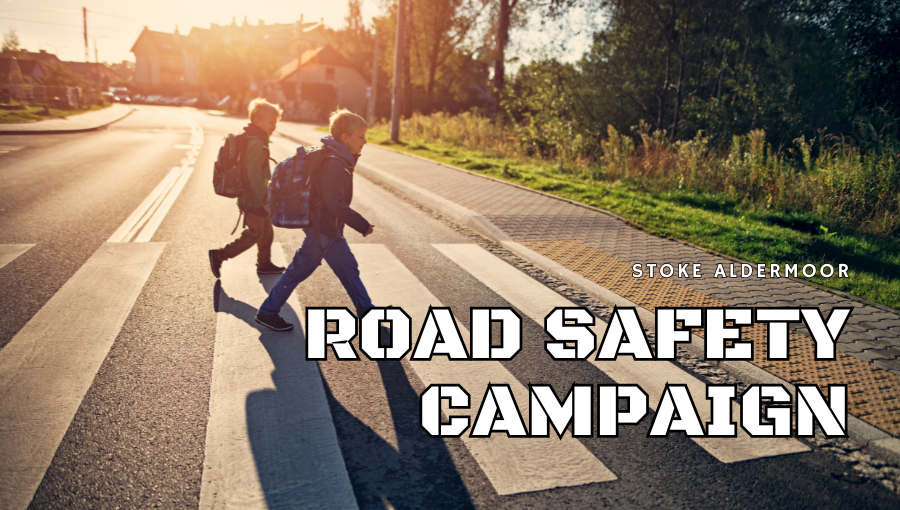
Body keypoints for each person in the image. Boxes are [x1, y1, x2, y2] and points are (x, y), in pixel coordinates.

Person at [255, 109, 375, 331]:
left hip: (328, 229)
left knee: (348, 269)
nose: (365, 141)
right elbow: (334, 203)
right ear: (345, 138)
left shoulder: (335, 157)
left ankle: (367, 313)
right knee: (297, 271)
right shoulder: (335, 163)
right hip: (323, 229)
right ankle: (267, 312)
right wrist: (363, 225)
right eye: (360, 137)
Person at [209, 98, 285, 278]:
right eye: (270, 122)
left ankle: (264, 263)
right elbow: (253, 174)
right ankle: (220, 255)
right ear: (257, 121)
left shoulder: (257, 139)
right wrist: (264, 198)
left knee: (266, 232)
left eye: (275, 123)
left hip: (256, 194)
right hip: (253, 197)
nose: (274, 126)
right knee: (255, 233)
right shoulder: (256, 143)